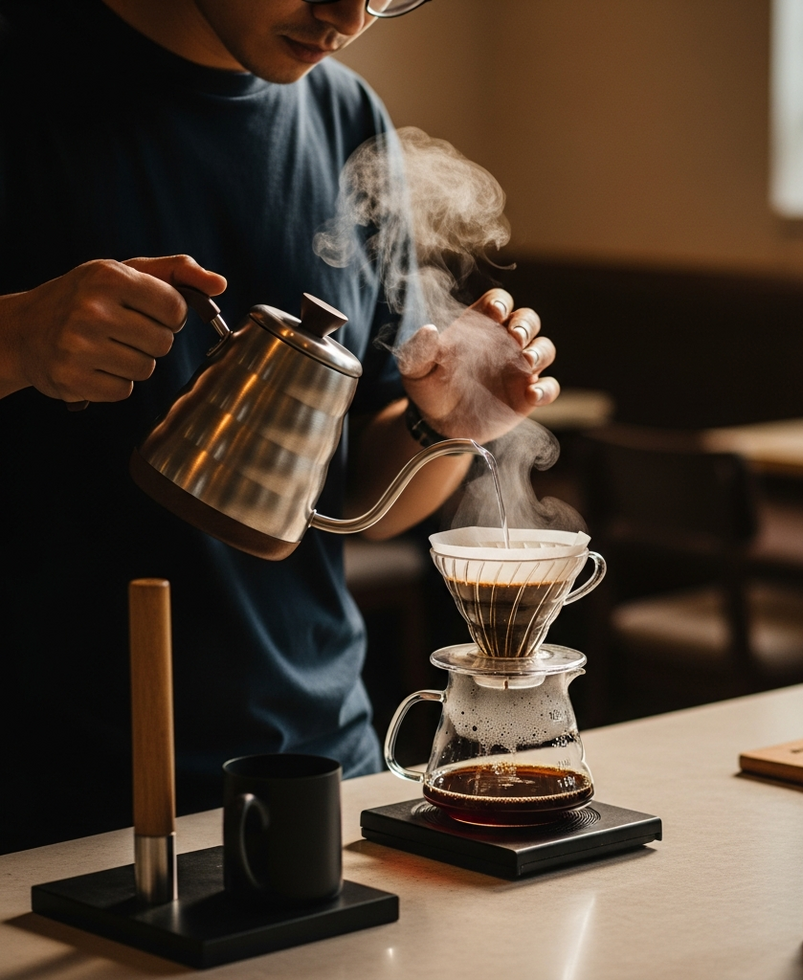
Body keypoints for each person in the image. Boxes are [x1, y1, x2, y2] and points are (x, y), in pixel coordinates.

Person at [0, 0, 558, 853]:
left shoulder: (347, 118)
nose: (349, 14)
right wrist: (17, 340)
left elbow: (356, 499)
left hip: (316, 763)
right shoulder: (25, 67)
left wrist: (439, 427)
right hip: (47, 788)